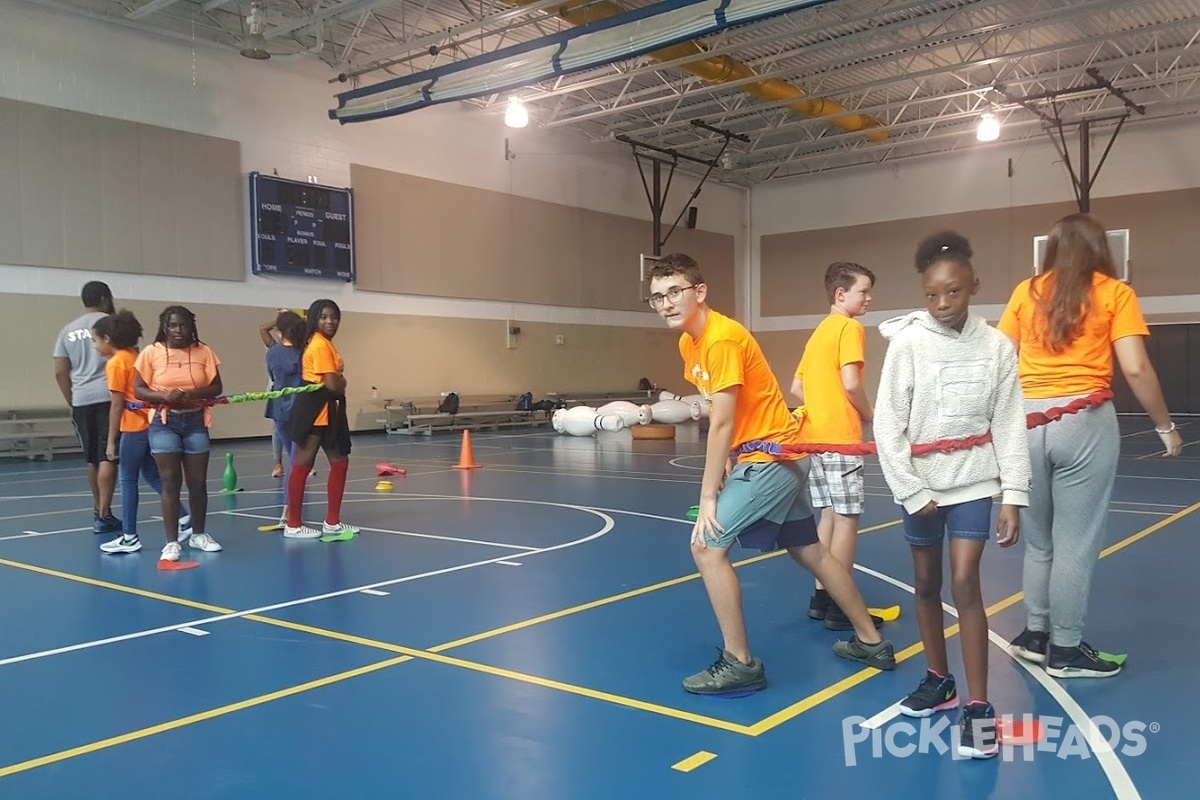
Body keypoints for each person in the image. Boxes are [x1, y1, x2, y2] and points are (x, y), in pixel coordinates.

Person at [647, 253, 895, 696]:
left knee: (706, 547)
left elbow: (722, 422)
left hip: (772, 460)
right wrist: (727, 462)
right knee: (811, 552)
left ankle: (739, 663)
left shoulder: (722, 339)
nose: (666, 303)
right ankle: (871, 642)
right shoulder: (690, 343)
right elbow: (721, 412)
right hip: (769, 454)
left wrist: (708, 497)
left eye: (674, 292)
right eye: (657, 297)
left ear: (699, 292)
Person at [998, 213, 1183, 678]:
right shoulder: (1115, 293)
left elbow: (999, 360)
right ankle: (1065, 649)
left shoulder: (1026, 291)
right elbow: (1137, 369)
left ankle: (1035, 635)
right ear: (1102, 249)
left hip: (1027, 418)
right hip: (1083, 420)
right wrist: (1165, 426)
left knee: (1039, 544)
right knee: (1075, 544)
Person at [873, 231, 1031, 759]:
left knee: (965, 582)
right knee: (924, 583)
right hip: (920, 484)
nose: (942, 305)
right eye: (932, 295)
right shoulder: (908, 344)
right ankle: (938, 680)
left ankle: (979, 708)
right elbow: (887, 424)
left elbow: (1009, 422)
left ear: (974, 287)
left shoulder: (997, 347)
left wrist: (1014, 494)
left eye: (954, 293)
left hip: (975, 479)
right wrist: (911, 490)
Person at [790, 262, 880, 630]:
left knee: (827, 514)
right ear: (841, 294)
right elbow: (850, 382)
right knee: (846, 518)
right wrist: (870, 414)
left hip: (815, 438)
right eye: (864, 290)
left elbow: (797, 389)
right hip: (841, 439)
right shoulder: (849, 327)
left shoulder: (819, 333)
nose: (869, 298)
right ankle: (841, 606)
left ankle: (822, 597)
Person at [91, 311, 191, 554]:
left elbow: (117, 404)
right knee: (152, 474)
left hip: (134, 427)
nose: (94, 346)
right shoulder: (138, 355)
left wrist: (112, 441)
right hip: (152, 424)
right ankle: (185, 518)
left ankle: (129, 536)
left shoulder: (116, 363)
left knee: (127, 480)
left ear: (108, 339)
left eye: (95, 341)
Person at [134, 306, 224, 562]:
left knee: (198, 482)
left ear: (191, 326)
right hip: (165, 422)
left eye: (183, 325)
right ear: (164, 327)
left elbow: (217, 386)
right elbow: (139, 390)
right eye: (173, 325)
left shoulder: (204, 352)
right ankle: (172, 542)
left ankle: (199, 534)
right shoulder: (151, 353)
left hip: (195, 420)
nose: (178, 330)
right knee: (170, 480)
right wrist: (164, 396)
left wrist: (192, 394)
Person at [282, 300, 357, 540]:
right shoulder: (319, 345)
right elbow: (334, 385)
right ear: (314, 319)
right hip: (313, 410)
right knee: (302, 465)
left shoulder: (326, 344)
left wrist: (337, 382)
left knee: (340, 462)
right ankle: (293, 525)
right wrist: (342, 381)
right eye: (324, 317)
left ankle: (332, 523)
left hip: (329, 412)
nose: (330, 321)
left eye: (334, 317)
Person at [53, 281, 119, 534]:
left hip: (81, 400)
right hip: (109, 398)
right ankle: (104, 514)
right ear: (104, 298)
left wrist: (72, 399)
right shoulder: (113, 324)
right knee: (108, 455)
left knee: (92, 458)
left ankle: (97, 509)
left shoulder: (67, 331)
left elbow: (60, 371)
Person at [261, 310, 308, 529]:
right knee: (295, 460)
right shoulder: (303, 353)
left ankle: (290, 509)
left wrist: (282, 319)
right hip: (297, 409)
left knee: (294, 457)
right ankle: (288, 510)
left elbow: (272, 376)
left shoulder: (272, 352)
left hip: (279, 409)